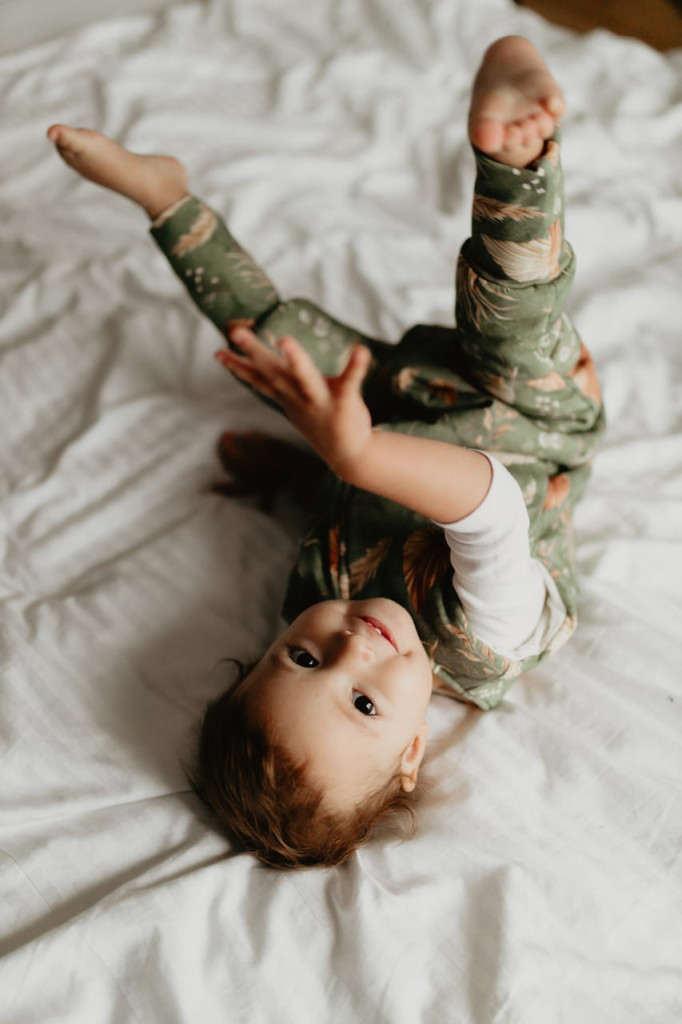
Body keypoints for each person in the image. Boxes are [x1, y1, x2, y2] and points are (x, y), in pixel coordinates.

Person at [47, 36, 604, 869]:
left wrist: (302, 470)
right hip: (532, 414)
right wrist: (354, 456)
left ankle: (167, 200)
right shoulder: (489, 639)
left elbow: (349, 524)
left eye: (300, 658)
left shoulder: (317, 603)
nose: (352, 649)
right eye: (365, 705)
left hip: (402, 404)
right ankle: (515, 157)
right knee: (509, 319)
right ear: (412, 751)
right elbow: (490, 503)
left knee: (269, 350)